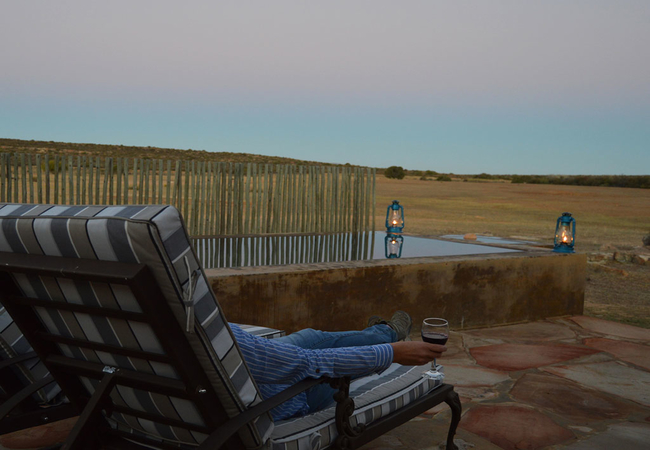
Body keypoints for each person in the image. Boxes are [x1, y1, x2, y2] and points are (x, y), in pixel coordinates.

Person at [231, 311, 447, 420]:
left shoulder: (210, 339)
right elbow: (309, 362)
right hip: (282, 395)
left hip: (246, 364)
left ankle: (384, 332)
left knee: (309, 337)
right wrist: (392, 353)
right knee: (330, 358)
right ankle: (386, 334)